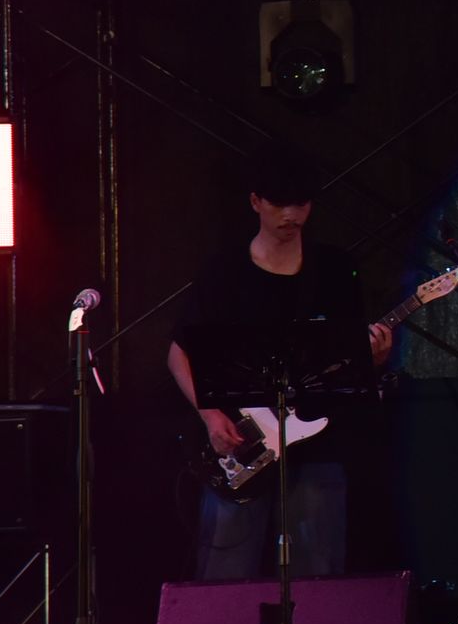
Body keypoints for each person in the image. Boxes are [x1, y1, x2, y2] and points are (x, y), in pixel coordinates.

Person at [167, 149, 394, 580]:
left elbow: (346, 359)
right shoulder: (224, 272)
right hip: (241, 443)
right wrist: (211, 417)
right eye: (279, 204)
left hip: (319, 447)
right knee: (225, 576)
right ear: (255, 201)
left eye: (301, 204)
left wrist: (375, 360)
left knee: (317, 574)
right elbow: (179, 353)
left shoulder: (334, 270)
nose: (290, 215)